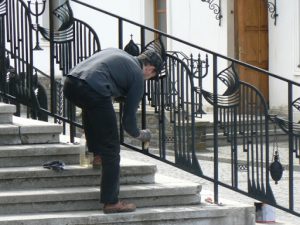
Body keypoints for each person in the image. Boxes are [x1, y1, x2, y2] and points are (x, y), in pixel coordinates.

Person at [63, 48, 163, 214]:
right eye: (152, 76)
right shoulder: (137, 76)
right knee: (112, 148)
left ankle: (97, 155)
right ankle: (111, 202)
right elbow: (128, 123)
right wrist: (142, 135)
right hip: (93, 88)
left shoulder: (119, 54)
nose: (149, 78)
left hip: (71, 83)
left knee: (91, 112)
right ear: (151, 69)